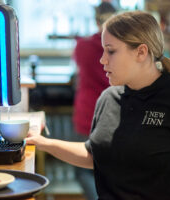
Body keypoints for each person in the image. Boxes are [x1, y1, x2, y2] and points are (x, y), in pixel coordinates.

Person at [26, 11, 170, 200]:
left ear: (141, 52)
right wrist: (43, 143)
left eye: (111, 51)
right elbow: (95, 155)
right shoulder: (108, 99)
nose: (102, 60)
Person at [71, 2, 116, 200]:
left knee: (82, 169)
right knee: (107, 168)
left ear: (96, 20)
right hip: (114, 114)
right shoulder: (120, 48)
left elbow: (78, 66)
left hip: (87, 114)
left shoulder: (83, 45)